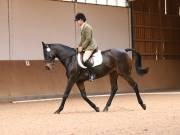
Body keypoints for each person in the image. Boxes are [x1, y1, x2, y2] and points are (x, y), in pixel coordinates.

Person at [75, 12, 98, 81]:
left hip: (91, 46)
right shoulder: (82, 27)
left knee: (85, 59)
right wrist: (78, 46)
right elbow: (82, 39)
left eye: (77, 21)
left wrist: (82, 47)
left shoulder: (87, 27)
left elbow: (88, 39)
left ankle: (93, 74)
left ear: (81, 20)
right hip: (86, 45)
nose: (76, 22)